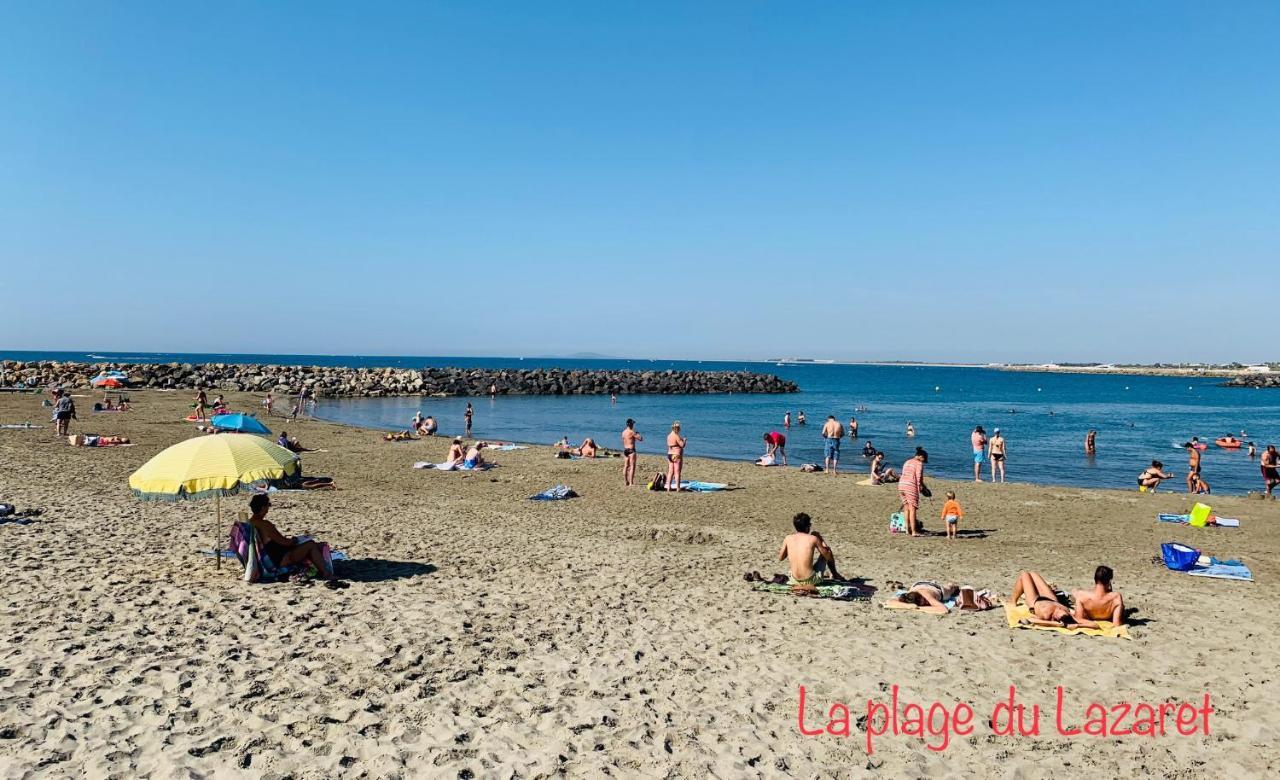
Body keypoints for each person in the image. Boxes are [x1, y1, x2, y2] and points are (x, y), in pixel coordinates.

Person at [245, 494, 333, 580]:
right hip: (280, 559)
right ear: (263, 507)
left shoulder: (249, 523)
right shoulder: (265, 524)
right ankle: (326, 573)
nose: (268, 508)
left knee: (306, 545)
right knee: (311, 545)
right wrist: (294, 540)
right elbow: (284, 542)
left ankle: (320, 568)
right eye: (268, 505)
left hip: (268, 559)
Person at [1009, 571, 1102, 629]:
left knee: (1024, 574)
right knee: (1033, 573)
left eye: (1058, 612)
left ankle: (1013, 601)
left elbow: (1032, 620)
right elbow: (1095, 625)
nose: (1060, 609)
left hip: (1035, 601)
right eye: (1062, 610)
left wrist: (1056, 625)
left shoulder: (1046, 617)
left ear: (1056, 619)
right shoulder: (1072, 617)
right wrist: (1078, 625)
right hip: (1052, 599)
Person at [776, 512, 843, 586]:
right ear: (807, 527)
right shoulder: (813, 538)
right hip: (810, 581)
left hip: (794, 580)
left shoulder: (788, 538)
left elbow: (780, 558)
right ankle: (835, 574)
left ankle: (832, 574)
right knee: (828, 550)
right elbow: (827, 555)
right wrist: (820, 538)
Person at [898, 448, 929, 536]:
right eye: (924, 459)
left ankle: (907, 530)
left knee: (906, 508)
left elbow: (903, 473)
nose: (924, 462)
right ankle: (914, 531)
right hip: (910, 486)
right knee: (912, 509)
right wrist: (921, 488)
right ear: (920, 456)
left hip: (901, 485)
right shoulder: (919, 463)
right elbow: (919, 477)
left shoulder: (907, 461)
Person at [886, 581, 959, 615]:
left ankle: (951, 585)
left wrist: (918, 608)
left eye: (924, 601)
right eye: (924, 603)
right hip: (917, 584)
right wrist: (908, 606)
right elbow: (889, 601)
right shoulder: (908, 596)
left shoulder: (927, 596)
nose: (927, 602)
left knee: (950, 589)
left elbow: (943, 610)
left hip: (936, 588)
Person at [666, 421, 686, 492]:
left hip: (669, 454)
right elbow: (682, 445)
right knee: (677, 472)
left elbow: (669, 444)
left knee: (670, 472)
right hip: (676, 454)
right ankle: (678, 487)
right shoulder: (676, 436)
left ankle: (668, 487)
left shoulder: (668, 436)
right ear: (677, 429)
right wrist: (684, 440)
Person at [621, 419, 643, 486]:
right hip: (631, 450)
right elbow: (640, 439)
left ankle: (625, 481)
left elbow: (624, 440)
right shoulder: (631, 432)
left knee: (626, 466)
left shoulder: (623, 432)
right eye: (633, 424)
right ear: (630, 424)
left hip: (625, 450)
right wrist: (638, 434)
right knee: (632, 466)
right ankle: (631, 482)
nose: (633, 425)